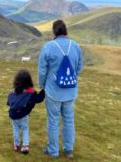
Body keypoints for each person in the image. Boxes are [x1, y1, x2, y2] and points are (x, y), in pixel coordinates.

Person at [38, 20, 83, 159]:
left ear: (54, 32)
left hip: (53, 92)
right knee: (69, 120)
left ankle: (53, 151)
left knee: (53, 121)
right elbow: (79, 68)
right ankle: (68, 150)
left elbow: (42, 70)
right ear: (65, 31)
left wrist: (42, 86)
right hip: (70, 91)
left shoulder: (48, 47)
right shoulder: (75, 46)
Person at [7, 69, 45, 155]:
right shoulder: (30, 93)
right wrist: (44, 90)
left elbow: (8, 102)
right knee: (25, 129)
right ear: (29, 81)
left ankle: (16, 145)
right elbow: (39, 99)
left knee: (16, 129)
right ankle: (25, 146)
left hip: (12, 114)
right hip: (23, 115)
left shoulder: (14, 91)